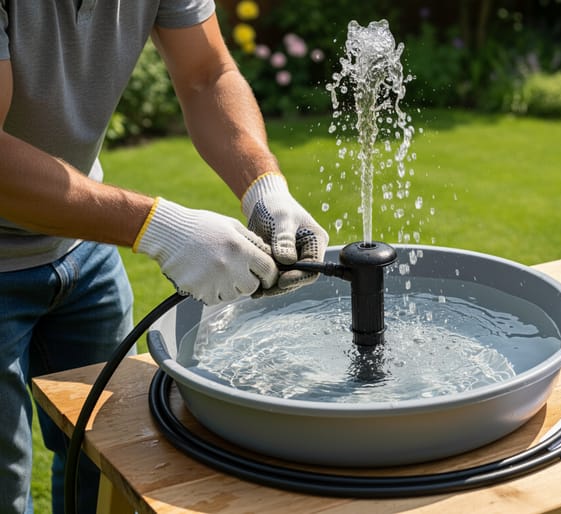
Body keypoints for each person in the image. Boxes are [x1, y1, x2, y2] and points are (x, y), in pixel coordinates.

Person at [0, 2, 329, 512]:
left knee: (109, 460)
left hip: (83, 252)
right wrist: (160, 228)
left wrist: (265, 187)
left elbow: (206, 74)